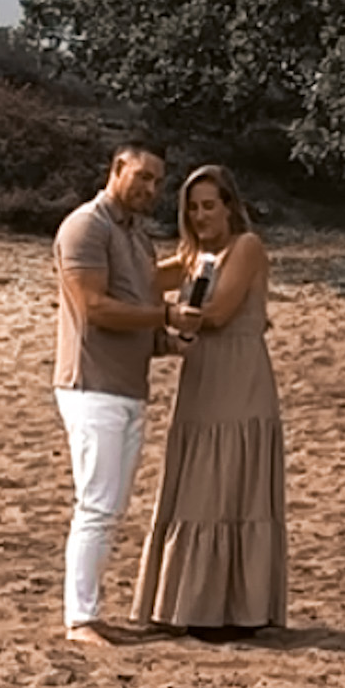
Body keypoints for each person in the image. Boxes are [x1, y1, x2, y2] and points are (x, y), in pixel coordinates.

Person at [131, 164, 288, 637]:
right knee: (198, 477)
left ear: (228, 206)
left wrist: (167, 317)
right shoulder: (192, 255)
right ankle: (191, 601)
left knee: (232, 475)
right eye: (193, 207)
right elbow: (139, 283)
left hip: (239, 374)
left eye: (208, 205)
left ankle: (237, 607)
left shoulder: (246, 248)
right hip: (200, 375)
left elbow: (217, 313)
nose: (201, 215)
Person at [52, 144, 193, 645]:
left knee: (109, 506)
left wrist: (184, 343)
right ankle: (80, 618)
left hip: (129, 387)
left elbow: (142, 318)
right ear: (117, 169)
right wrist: (166, 316)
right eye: (143, 177)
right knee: (95, 504)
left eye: (157, 181)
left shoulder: (137, 240)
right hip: (91, 385)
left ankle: (90, 612)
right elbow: (94, 308)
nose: (150, 188)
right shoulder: (86, 227)